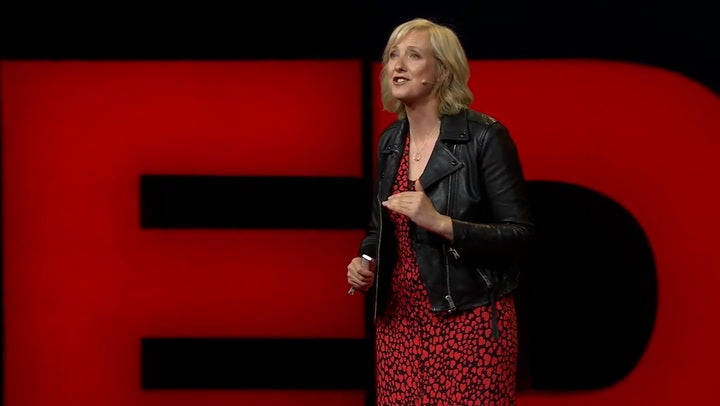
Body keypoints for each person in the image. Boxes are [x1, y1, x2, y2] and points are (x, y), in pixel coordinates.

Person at [346, 17, 535, 405]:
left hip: (469, 319)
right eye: (393, 55)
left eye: (413, 55)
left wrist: (441, 223)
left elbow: (520, 234)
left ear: (443, 71)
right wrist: (364, 262)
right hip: (400, 322)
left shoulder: (484, 137)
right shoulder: (390, 142)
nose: (398, 65)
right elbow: (378, 231)